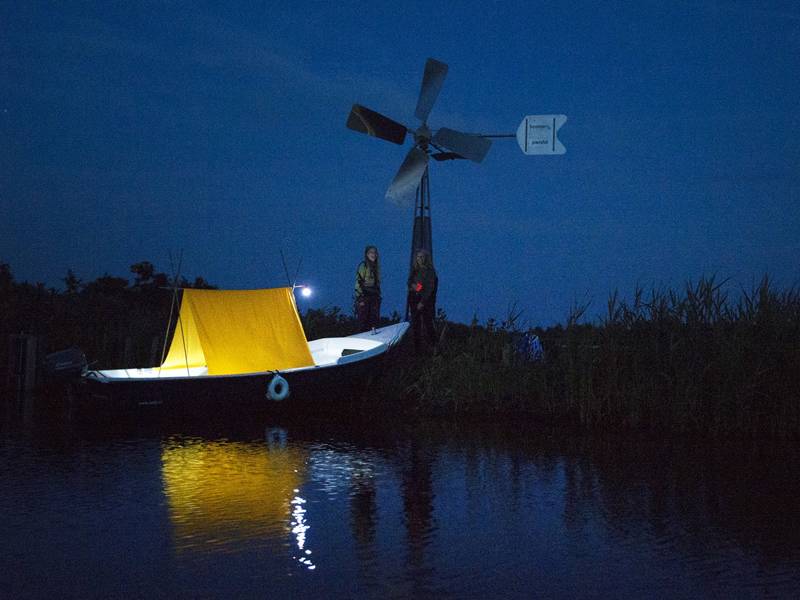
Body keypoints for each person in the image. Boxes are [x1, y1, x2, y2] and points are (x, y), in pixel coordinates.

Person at [407, 249, 438, 353]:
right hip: (414, 299)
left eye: (422, 257)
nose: (420, 259)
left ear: (426, 258)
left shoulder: (429, 271)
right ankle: (417, 350)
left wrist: (422, 301)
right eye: (418, 257)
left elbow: (429, 287)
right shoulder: (415, 270)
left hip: (424, 301)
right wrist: (416, 287)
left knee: (427, 323)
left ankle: (434, 347)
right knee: (415, 324)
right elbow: (410, 282)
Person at [354, 245, 381, 331]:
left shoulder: (376, 267)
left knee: (373, 319)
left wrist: (378, 294)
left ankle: (373, 334)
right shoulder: (364, 265)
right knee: (363, 320)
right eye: (371, 252)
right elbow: (358, 281)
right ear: (366, 254)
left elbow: (377, 283)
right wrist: (360, 298)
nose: (373, 254)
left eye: (375, 252)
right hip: (364, 296)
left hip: (374, 296)